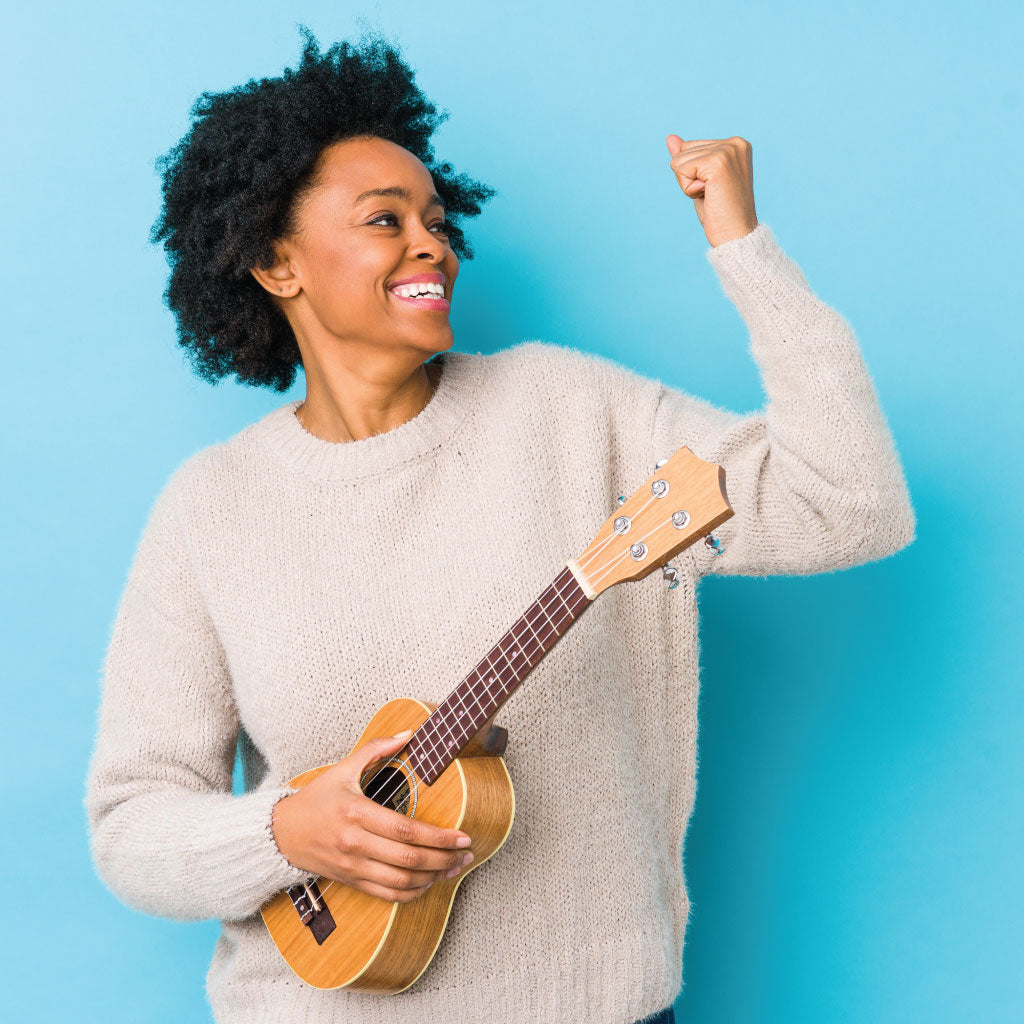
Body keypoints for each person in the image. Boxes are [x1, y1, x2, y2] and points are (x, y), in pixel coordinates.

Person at [84, 24, 915, 1024]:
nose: (430, 241)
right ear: (274, 262)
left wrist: (743, 248)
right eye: (383, 219)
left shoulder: (569, 410)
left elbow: (849, 504)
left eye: (436, 218)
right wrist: (285, 833)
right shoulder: (210, 505)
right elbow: (132, 825)